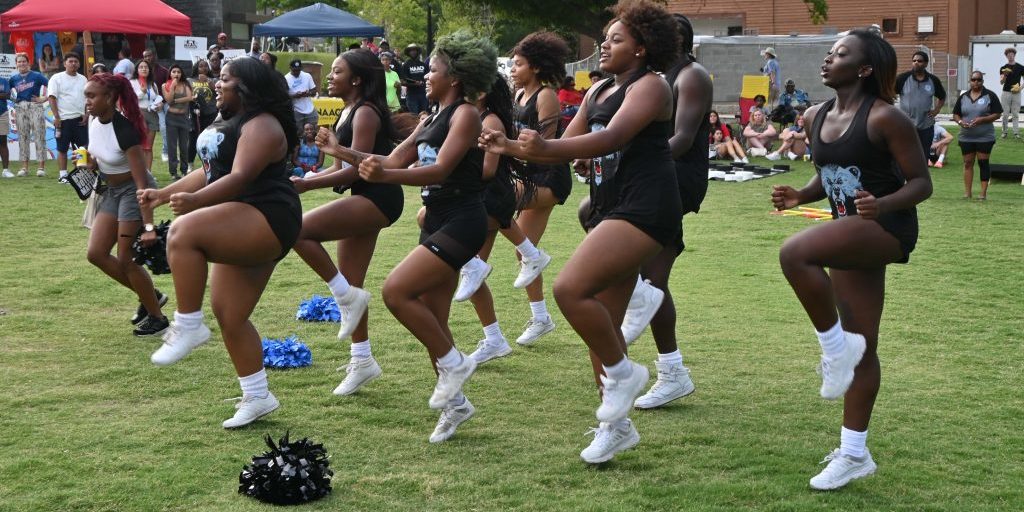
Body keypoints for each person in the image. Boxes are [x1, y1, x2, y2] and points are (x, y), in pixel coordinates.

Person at [480, 0, 682, 464]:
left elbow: (611, 138)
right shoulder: (598, 92)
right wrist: (510, 145)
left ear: (642, 48)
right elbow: (565, 149)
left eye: (616, 39)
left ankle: (624, 373)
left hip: (647, 205)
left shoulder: (651, 87)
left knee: (571, 289)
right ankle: (616, 426)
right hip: (611, 203)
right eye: (606, 38)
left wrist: (544, 144)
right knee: (604, 325)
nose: (605, 47)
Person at [771, 29, 932, 491]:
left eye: (840, 54)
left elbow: (922, 183)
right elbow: (829, 174)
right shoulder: (815, 115)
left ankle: (832, 348)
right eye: (829, 52)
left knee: (795, 252)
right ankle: (855, 453)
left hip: (885, 228)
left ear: (864, 70)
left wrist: (881, 205)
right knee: (865, 344)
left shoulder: (887, 118)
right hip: (849, 232)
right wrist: (799, 194)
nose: (828, 59)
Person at [316, 31, 496, 443]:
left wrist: (387, 175)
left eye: (433, 69)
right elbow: (391, 158)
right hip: (435, 219)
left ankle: (455, 363)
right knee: (434, 317)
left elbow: (440, 170)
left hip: (463, 220)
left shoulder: (466, 114)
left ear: (455, 76)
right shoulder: (431, 116)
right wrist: (341, 153)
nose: (425, 75)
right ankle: (456, 406)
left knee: (396, 291)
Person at [137, 57, 302, 429]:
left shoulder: (263, 124)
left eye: (224, 79)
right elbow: (209, 170)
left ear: (246, 88)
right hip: (238, 215)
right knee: (231, 315)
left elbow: (242, 176)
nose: (215, 84)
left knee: (183, 232)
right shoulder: (226, 120)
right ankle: (258, 395)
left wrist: (197, 203)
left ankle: (188, 324)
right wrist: (163, 194)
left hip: (267, 215)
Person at [291, 49, 405, 397]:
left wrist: (309, 183)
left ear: (356, 79)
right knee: (353, 283)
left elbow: (358, 166)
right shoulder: (349, 110)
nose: (329, 76)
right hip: (364, 197)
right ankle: (362, 361)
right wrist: (309, 178)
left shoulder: (366, 113)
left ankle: (343, 296)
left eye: (337, 71)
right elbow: (341, 168)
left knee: (297, 230)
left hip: (377, 199)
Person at [627, 13, 711, 410]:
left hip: (678, 176)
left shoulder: (691, 75)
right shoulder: (651, 78)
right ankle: (672, 369)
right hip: (654, 174)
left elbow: (682, 138)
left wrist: (623, 155)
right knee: (593, 210)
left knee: (653, 275)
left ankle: (671, 370)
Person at [449, 76, 537, 365]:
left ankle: (531, 254)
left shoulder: (491, 121)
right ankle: (494, 339)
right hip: (481, 197)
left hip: (490, 197)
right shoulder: (473, 116)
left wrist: (452, 170)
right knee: (472, 276)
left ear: (483, 92)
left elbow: (488, 170)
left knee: (429, 218)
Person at [83, 72, 168, 337]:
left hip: (134, 191)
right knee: (95, 253)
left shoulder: (125, 130)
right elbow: (100, 155)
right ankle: (150, 295)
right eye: (86, 95)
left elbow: (143, 184)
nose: (87, 101)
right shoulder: (94, 121)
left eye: (92, 96)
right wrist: (90, 163)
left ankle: (157, 317)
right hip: (112, 190)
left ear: (109, 98)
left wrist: (149, 226)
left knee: (126, 259)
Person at [505, 31, 573, 346]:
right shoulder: (517, 96)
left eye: (517, 64)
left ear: (535, 67)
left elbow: (545, 146)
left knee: (495, 199)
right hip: (528, 174)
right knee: (524, 251)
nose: (512, 69)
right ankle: (541, 318)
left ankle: (472, 263)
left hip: (548, 176)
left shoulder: (545, 96)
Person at [953, 71, 1002, 200]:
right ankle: (967, 193)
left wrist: (982, 120)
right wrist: (960, 122)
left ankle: (983, 193)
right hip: (966, 137)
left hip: (984, 137)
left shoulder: (990, 95)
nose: (976, 82)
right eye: (973, 80)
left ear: (982, 81)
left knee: (983, 163)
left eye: (978, 80)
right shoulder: (963, 96)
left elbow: (998, 113)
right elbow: (956, 114)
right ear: (970, 81)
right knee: (968, 163)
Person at [895, 50, 946, 160]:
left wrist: (936, 110)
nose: (916, 63)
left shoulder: (933, 80)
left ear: (926, 63)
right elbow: (889, 93)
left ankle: (921, 177)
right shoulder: (902, 78)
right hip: (906, 125)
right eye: (914, 61)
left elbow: (942, 97)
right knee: (905, 156)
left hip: (925, 125)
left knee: (923, 157)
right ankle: (905, 177)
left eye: (919, 61)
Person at [48, 52, 89, 182]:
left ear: (79, 64)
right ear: (64, 63)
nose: (73, 63)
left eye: (76, 61)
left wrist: (87, 114)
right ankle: (63, 175)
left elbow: (87, 98)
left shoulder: (83, 79)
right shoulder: (56, 78)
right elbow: (52, 97)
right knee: (62, 148)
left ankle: (81, 174)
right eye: (70, 61)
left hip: (79, 119)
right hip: (63, 120)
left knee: (82, 148)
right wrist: (56, 117)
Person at [9, 53, 49, 177]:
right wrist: (14, 100)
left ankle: (41, 168)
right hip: (21, 107)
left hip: (35, 106)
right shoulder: (13, 79)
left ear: (28, 63)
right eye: (19, 62)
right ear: (16, 64)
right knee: (23, 137)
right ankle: (24, 168)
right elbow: (8, 92)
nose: (21, 64)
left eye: (24, 61)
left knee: (39, 135)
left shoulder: (36, 75)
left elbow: (52, 86)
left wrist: (44, 98)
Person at [130, 59, 163, 170]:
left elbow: (157, 98)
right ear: (137, 70)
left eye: (146, 67)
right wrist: (142, 92)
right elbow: (131, 99)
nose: (144, 69)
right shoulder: (132, 82)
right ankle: (138, 171)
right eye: (141, 67)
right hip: (139, 114)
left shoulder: (152, 84)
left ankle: (148, 173)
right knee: (139, 146)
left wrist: (160, 105)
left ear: (149, 70)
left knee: (148, 147)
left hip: (152, 114)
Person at [162, 64, 193, 180]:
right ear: (170, 73)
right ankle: (173, 172)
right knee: (172, 147)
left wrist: (176, 99)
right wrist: (172, 87)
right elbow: (169, 101)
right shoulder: (165, 85)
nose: (176, 74)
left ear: (181, 73)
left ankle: (184, 170)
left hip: (184, 118)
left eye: (178, 72)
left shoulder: (186, 84)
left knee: (184, 146)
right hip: (171, 118)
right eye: (174, 72)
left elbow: (190, 97)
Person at [188, 59, 219, 167]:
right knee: (193, 138)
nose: (204, 68)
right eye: (201, 66)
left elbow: (219, 92)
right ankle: (190, 163)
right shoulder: (189, 80)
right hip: (195, 114)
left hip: (211, 113)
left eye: (206, 66)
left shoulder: (214, 80)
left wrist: (209, 82)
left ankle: (208, 162)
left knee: (209, 138)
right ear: (196, 68)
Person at [286, 58, 318, 133]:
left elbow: (314, 91)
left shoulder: (307, 76)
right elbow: (284, 96)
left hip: (310, 109)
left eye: (298, 70)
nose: (297, 72)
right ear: (290, 68)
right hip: (296, 110)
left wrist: (308, 93)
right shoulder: (286, 78)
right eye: (294, 70)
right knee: (298, 133)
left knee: (312, 132)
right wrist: (295, 95)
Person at [998, 47, 1024, 139]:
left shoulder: (1021, 67)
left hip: (1016, 93)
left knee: (1015, 114)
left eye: (1012, 54)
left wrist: (1020, 88)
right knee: (1005, 114)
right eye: (1008, 55)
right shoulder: (1003, 68)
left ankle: (1016, 133)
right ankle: (1004, 132)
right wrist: (1005, 75)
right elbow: (1001, 82)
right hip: (1006, 93)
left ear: (1014, 55)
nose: (1010, 56)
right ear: (1006, 56)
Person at [401, 43, 428, 114]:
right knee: (414, 116)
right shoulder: (406, 65)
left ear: (417, 52)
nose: (413, 52)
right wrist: (415, 84)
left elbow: (428, 78)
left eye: (414, 50)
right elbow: (403, 81)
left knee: (424, 116)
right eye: (411, 50)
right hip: (411, 95)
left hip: (423, 94)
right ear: (408, 52)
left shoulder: (423, 65)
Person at [0, 76, 11, 178]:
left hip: (2, 113)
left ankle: (5, 170)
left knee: (3, 142)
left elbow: (7, 95)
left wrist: (3, 95)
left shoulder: (3, 80)